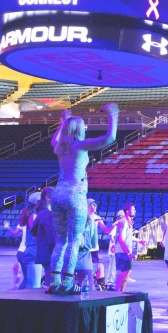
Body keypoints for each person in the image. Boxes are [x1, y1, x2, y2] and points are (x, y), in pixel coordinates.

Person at [48, 104, 118, 294]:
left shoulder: (59, 148)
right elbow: (110, 138)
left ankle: (54, 281)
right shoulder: (80, 146)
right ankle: (68, 282)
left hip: (58, 193)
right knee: (74, 239)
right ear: (79, 129)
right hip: (75, 194)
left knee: (61, 241)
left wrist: (63, 120)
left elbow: (55, 138)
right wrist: (114, 114)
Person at [5, 192, 40, 289]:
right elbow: (35, 234)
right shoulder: (34, 218)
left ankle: (17, 292)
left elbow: (15, 233)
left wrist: (7, 228)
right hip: (27, 251)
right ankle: (18, 295)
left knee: (27, 279)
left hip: (20, 251)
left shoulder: (23, 222)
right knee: (29, 280)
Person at [114, 202, 144, 292]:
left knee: (126, 272)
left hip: (124, 251)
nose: (135, 211)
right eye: (133, 209)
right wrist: (128, 253)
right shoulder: (124, 222)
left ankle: (120, 291)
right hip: (122, 251)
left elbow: (128, 236)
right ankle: (117, 292)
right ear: (127, 211)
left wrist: (139, 240)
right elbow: (121, 239)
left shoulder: (128, 222)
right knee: (124, 273)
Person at [32, 187, 56, 286]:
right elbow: (51, 238)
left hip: (43, 252)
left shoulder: (40, 214)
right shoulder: (48, 215)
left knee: (48, 277)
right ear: (48, 198)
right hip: (49, 253)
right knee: (51, 280)